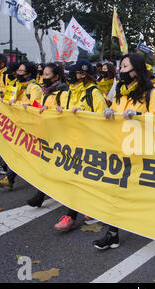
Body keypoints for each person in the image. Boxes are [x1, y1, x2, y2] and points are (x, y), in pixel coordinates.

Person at [95, 53, 155, 250]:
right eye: (120, 66)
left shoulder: (151, 92)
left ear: (136, 70)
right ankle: (112, 233)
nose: (121, 70)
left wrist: (140, 117)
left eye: (125, 67)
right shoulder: (119, 90)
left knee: (140, 193)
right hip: (120, 149)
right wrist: (109, 113)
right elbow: (117, 115)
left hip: (142, 152)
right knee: (115, 192)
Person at [53, 59, 109, 232]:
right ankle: (87, 209)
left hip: (91, 145)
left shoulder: (94, 94)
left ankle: (72, 216)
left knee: (82, 180)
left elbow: (103, 121)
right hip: (73, 143)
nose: (70, 74)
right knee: (77, 180)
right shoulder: (69, 92)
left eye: (73, 72)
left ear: (83, 74)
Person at [0, 62, 43, 191]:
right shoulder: (16, 84)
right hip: (18, 124)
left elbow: (36, 106)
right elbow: (8, 97)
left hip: (30, 127)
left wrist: (18, 103)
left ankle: (13, 179)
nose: (18, 73)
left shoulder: (34, 88)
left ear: (29, 74)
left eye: (21, 71)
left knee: (25, 154)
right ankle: (10, 178)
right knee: (20, 153)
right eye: (18, 71)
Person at [26, 63, 69, 208]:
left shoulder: (63, 93)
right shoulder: (46, 92)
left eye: (46, 75)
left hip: (60, 136)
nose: (43, 78)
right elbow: (41, 109)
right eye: (42, 74)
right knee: (47, 167)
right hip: (47, 134)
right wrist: (32, 107)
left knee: (58, 168)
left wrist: (52, 110)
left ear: (56, 77)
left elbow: (64, 112)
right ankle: (41, 195)